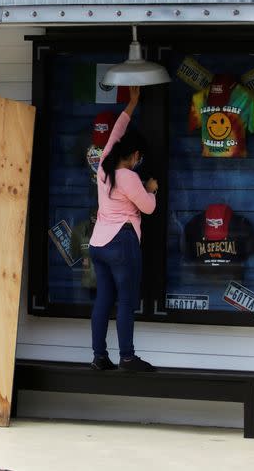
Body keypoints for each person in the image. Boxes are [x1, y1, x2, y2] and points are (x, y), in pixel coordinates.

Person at [88, 86, 158, 372]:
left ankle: (99, 357)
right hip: (122, 242)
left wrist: (132, 104)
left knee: (104, 301)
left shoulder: (103, 166)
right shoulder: (128, 177)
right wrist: (151, 190)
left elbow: (116, 131)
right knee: (126, 301)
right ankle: (127, 357)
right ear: (134, 156)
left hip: (99, 244)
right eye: (138, 158)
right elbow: (149, 208)